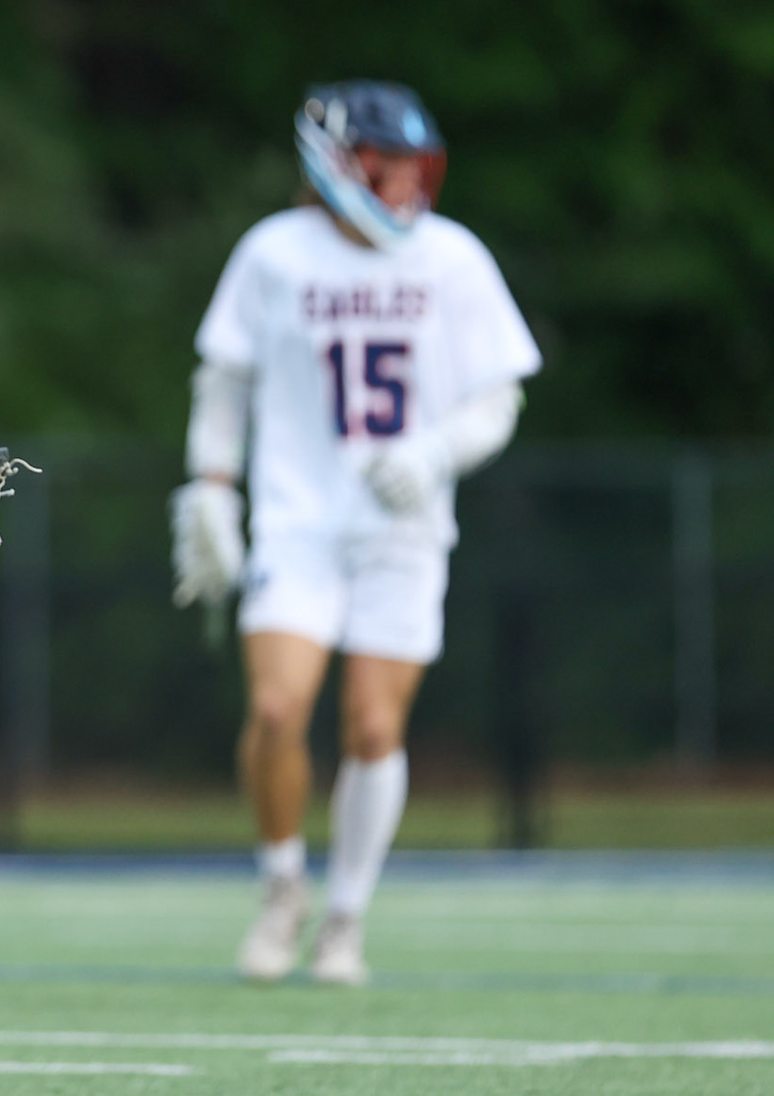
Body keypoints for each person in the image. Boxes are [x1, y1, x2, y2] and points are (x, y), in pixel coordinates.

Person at [170, 81, 540, 986]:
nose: (405, 186)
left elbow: (500, 396)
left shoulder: (452, 259)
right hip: (299, 519)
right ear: (334, 163)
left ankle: (345, 917)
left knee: (375, 728)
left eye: (415, 169)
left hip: (402, 527)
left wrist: (437, 451)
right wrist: (212, 485)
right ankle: (283, 883)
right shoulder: (274, 253)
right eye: (386, 167)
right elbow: (223, 378)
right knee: (276, 709)